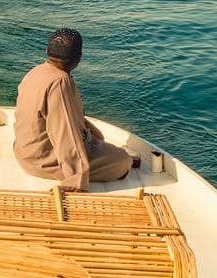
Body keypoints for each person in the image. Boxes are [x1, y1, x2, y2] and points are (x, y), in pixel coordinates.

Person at [13, 28, 138, 191]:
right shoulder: (60, 82)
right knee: (121, 161)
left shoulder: (35, 72)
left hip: (25, 153)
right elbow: (65, 135)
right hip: (44, 161)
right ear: (78, 59)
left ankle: (110, 155)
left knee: (98, 138)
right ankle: (119, 160)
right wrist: (75, 180)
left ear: (47, 51)